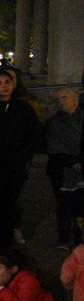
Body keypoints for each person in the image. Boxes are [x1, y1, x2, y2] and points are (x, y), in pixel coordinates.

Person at [0, 67, 43, 247]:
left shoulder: (23, 108)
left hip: (15, 164)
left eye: (7, 82)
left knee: (11, 200)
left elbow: (35, 135)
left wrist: (23, 155)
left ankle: (8, 234)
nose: (4, 86)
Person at [45, 89, 82, 250]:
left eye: (65, 97)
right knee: (63, 204)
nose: (62, 101)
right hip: (61, 168)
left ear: (75, 99)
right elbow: (52, 145)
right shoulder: (54, 121)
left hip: (81, 167)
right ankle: (64, 237)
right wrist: (71, 161)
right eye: (59, 98)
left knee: (81, 204)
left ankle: (80, 237)